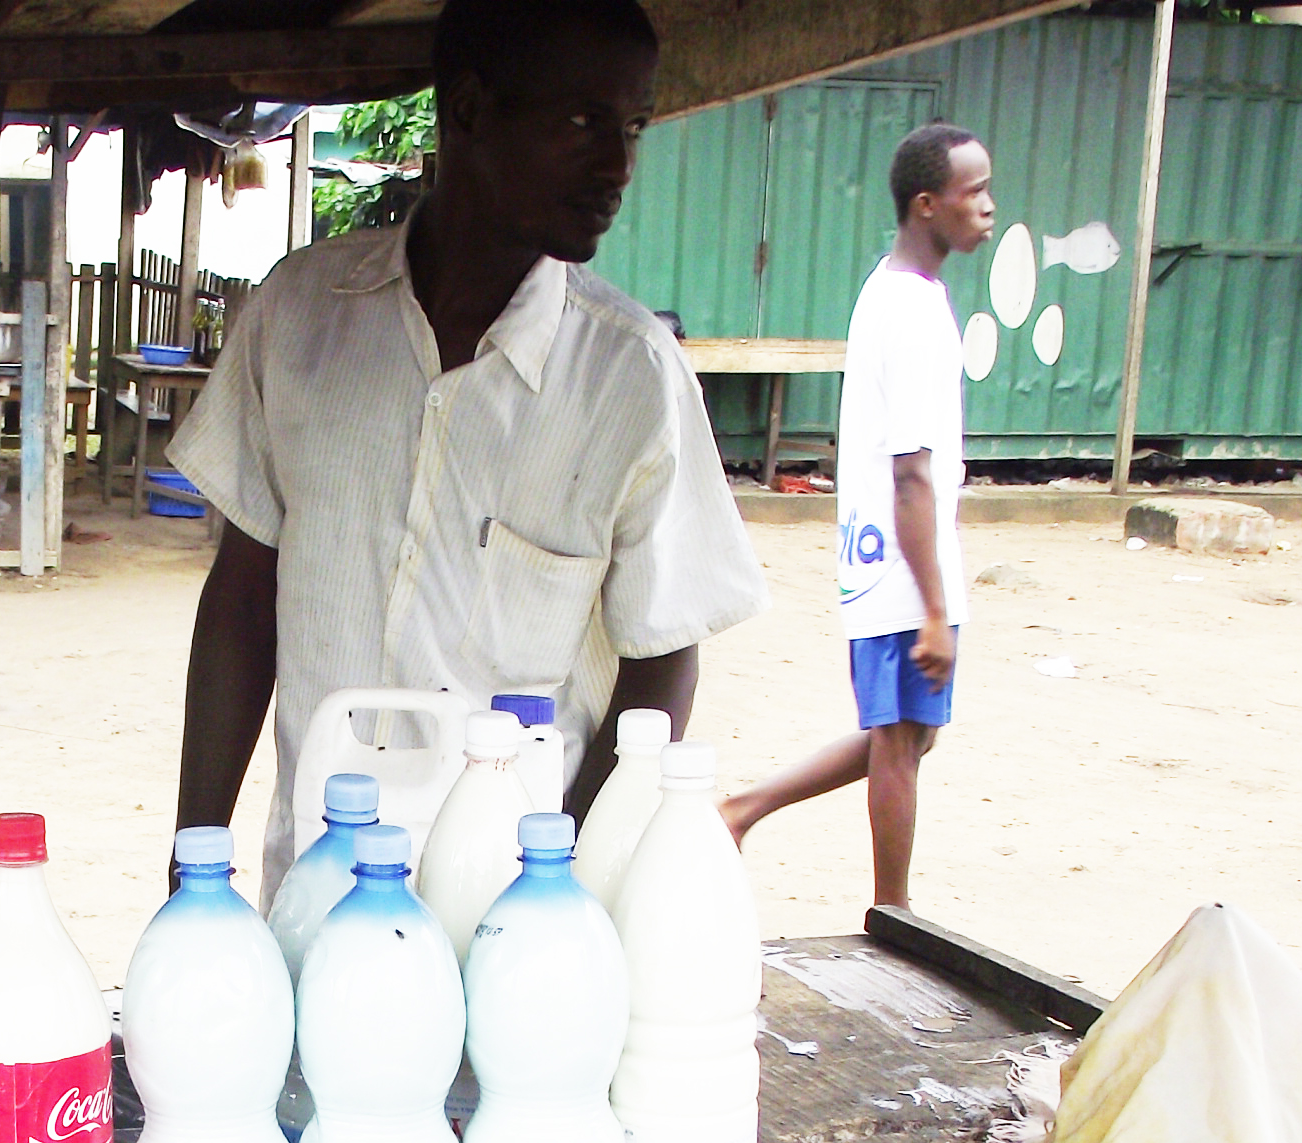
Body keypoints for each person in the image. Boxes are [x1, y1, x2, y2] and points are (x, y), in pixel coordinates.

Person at [167, 0, 764, 898]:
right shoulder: (299, 317)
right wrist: (191, 857)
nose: (619, 166)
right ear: (473, 109)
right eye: (582, 122)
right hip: (317, 900)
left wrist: (558, 884)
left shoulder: (630, 377)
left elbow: (661, 654)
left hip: (510, 917)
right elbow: (242, 604)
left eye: (633, 126)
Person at [718, 123, 993, 912]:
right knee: (902, 742)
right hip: (903, 563)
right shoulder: (908, 311)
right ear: (927, 204)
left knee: (906, 733)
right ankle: (894, 913)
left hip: (897, 556)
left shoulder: (907, 291)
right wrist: (935, 609)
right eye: (973, 192)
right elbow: (911, 474)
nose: (988, 206)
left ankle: (743, 809)